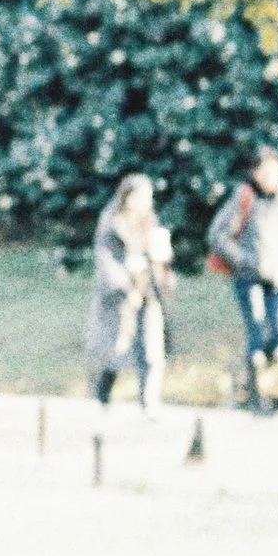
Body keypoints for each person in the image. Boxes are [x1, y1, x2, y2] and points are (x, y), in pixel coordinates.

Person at [208, 145, 278, 415]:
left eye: (277, 169)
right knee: (257, 332)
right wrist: (245, 261)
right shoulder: (244, 195)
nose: (275, 175)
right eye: (268, 170)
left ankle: (247, 379)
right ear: (255, 172)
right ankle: (256, 398)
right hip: (249, 279)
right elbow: (217, 235)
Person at [86, 172, 173, 412]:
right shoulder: (111, 221)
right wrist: (126, 287)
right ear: (127, 197)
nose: (145, 202)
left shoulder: (150, 222)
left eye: (148, 197)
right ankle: (102, 396)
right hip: (119, 298)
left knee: (152, 349)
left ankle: (149, 402)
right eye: (140, 197)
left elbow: (159, 258)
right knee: (115, 350)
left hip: (147, 292)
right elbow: (106, 261)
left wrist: (162, 268)